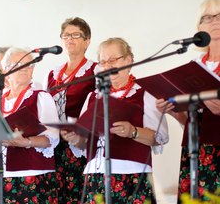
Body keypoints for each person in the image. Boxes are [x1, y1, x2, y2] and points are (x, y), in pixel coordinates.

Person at [64, 37, 169, 203]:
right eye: (103, 61)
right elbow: (84, 142)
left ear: (128, 60)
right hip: (95, 175)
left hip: (132, 176)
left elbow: (159, 137)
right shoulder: (93, 96)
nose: (108, 65)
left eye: (113, 60)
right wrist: (76, 138)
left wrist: (132, 132)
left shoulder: (144, 93)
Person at [156, 0, 220, 202]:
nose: (214, 21)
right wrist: (173, 110)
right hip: (194, 150)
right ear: (199, 28)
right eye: (207, 17)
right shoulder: (194, 66)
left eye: (219, 16)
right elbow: (187, 121)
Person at [0, 47, 60, 203]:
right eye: (19, 63)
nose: (25, 67)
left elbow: (52, 139)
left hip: (32, 178)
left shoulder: (41, 97)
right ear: (6, 69)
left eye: (29, 64)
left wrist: (26, 142)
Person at [43, 17, 97, 203]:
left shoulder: (95, 71)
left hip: (80, 144)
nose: (69, 39)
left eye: (75, 35)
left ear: (87, 41)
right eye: (65, 35)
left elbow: (97, 109)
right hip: (55, 145)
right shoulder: (52, 74)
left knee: (80, 195)